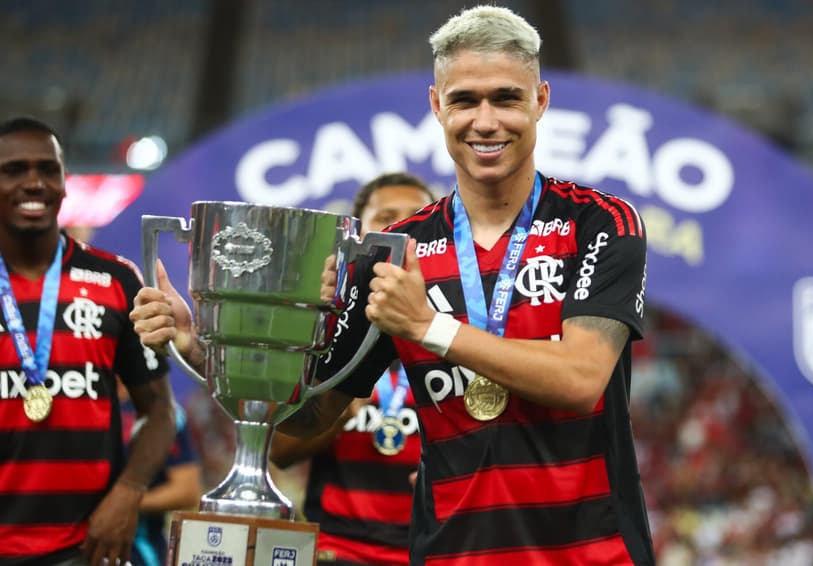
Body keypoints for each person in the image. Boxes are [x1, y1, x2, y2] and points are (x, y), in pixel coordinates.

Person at [131, 5, 655, 564]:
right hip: (449, 555)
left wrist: (429, 328)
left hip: (595, 555)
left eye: (506, 98)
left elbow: (581, 380)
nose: (485, 121)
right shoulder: (391, 254)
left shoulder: (600, 222)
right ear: (436, 106)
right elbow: (293, 433)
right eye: (463, 100)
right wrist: (207, 349)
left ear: (541, 101)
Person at [0, 116, 177, 566]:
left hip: (83, 548)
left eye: (48, 169)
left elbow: (158, 410)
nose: (34, 182)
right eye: (14, 170)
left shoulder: (116, 279)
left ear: (64, 183)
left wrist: (129, 492)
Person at [269, 172, 436, 566]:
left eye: (417, 218)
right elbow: (281, 451)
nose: (403, 233)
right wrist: (341, 406)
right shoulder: (325, 334)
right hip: (338, 550)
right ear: (360, 239)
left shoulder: (460, 332)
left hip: (434, 546)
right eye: (388, 219)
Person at [117, 381, 202, 566]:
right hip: (69, 547)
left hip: (140, 552)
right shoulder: (74, 403)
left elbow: (187, 490)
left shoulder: (165, 415)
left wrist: (122, 501)